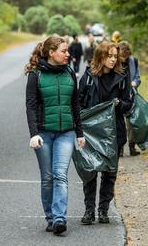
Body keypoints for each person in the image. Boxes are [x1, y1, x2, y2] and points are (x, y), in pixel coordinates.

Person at [25, 36, 85, 235]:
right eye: (63, 51)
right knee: (48, 177)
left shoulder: (70, 72)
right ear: (51, 53)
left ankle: (60, 218)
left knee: (60, 175)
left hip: (65, 133)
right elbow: (31, 106)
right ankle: (50, 218)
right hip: (43, 133)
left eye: (68, 51)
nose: (68, 54)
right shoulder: (36, 75)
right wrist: (33, 134)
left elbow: (75, 104)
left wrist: (79, 132)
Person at [78, 41, 132, 224]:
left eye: (115, 56)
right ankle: (88, 210)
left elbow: (128, 105)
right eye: (109, 56)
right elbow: (78, 103)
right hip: (92, 133)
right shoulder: (88, 76)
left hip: (114, 132)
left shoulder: (122, 76)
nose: (112, 59)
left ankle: (103, 210)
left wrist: (119, 104)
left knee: (109, 173)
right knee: (91, 171)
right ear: (100, 56)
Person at [118, 41, 141, 156]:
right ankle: (120, 148)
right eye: (122, 56)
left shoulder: (134, 61)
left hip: (131, 96)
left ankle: (132, 146)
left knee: (132, 123)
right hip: (118, 97)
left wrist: (134, 83)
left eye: (126, 56)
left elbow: (138, 77)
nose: (124, 58)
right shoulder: (115, 63)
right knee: (119, 123)